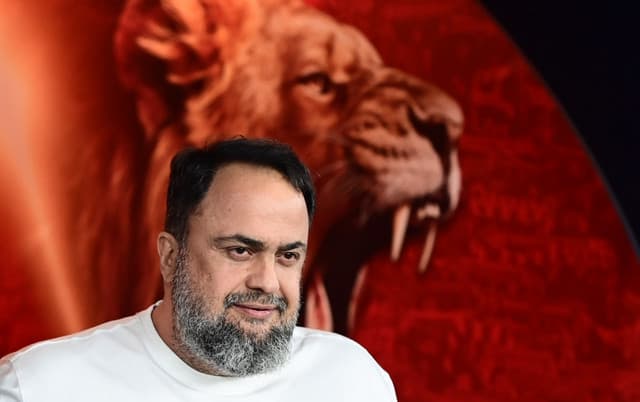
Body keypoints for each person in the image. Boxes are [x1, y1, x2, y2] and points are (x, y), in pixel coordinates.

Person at [0, 138, 397, 401]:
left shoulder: (352, 380)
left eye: (287, 256)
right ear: (170, 256)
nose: (267, 282)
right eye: (240, 250)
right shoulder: (39, 387)